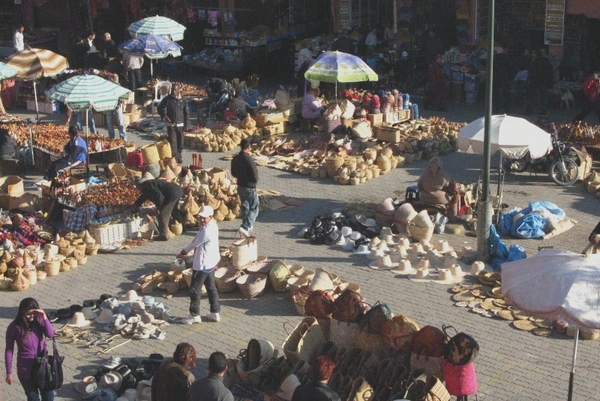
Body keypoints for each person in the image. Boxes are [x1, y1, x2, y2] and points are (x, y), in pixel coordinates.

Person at [5, 297, 55, 401]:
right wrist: (9, 372)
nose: (32, 316)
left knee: (49, 396)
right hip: (26, 370)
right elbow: (9, 350)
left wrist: (44, 317)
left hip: (43, 366)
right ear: (22, 312)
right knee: (33, 397)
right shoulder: (14, 327)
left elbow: (50, 334)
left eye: (34, 313)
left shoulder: (39, 320)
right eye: (28, 314)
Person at [179, 205, 221, 324]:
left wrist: (184, 251)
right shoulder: (212, 225)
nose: (202, 220)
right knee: (211, 287)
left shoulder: (207, 230)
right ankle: (215, 312)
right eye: (200, 217)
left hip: (203, 265)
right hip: (211, 262)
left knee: (194, 289)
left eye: (204, 218)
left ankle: (194, 314)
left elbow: (194, 243)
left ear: (211, 217)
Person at [134, 172, 184, 241]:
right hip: (177, 190)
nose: (137, 189)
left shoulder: (146, 186)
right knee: (174, 210)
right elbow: (144, 197)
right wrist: (136, 204)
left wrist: (159, 208)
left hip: (172, 194)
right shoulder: (148, 185)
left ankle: (163, 235)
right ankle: (183, 226)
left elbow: (159, 197)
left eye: (137, 187)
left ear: (139, 185)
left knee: (162, 214)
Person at [231, 138, 259, 237]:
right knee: (254, 208)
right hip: (249, 187)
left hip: (240, 186)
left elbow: (233, 173)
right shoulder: (249, 159)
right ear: (248, 148)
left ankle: (248, 224)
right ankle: (245, 226)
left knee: (245, 206)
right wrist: (254, 182)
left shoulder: (235, 158)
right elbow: (255, 174)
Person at [158, 82, 189, 164]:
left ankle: (179, 155)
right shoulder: (168, 99)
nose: (173, 92)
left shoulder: (183, 100)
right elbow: (160, 108)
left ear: (179, 91)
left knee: (181, 141)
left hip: (180, 125)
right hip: (171, 125)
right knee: (173, 142)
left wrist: (186, 125)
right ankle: (175, 159)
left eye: (175, 90)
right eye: (172, 90)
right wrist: (164, 116)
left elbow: (186, 113)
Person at [526, 49, 554, 115]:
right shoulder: (545, 61)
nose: (532, 55)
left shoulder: (535, 62)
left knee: (532, 96)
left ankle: (530, 110)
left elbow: (532, 72)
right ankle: (544, 110)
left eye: (533, 53)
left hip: (536, 81)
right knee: (544, 96)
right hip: (543, 81)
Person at [492, 46, 512, 114]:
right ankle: (507, 109)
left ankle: (496, 109)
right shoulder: (507, 58)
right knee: (506, 94)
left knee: (495, 94)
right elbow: (510, 67)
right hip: (505, 77)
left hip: (496, 78)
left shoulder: (494, 58)